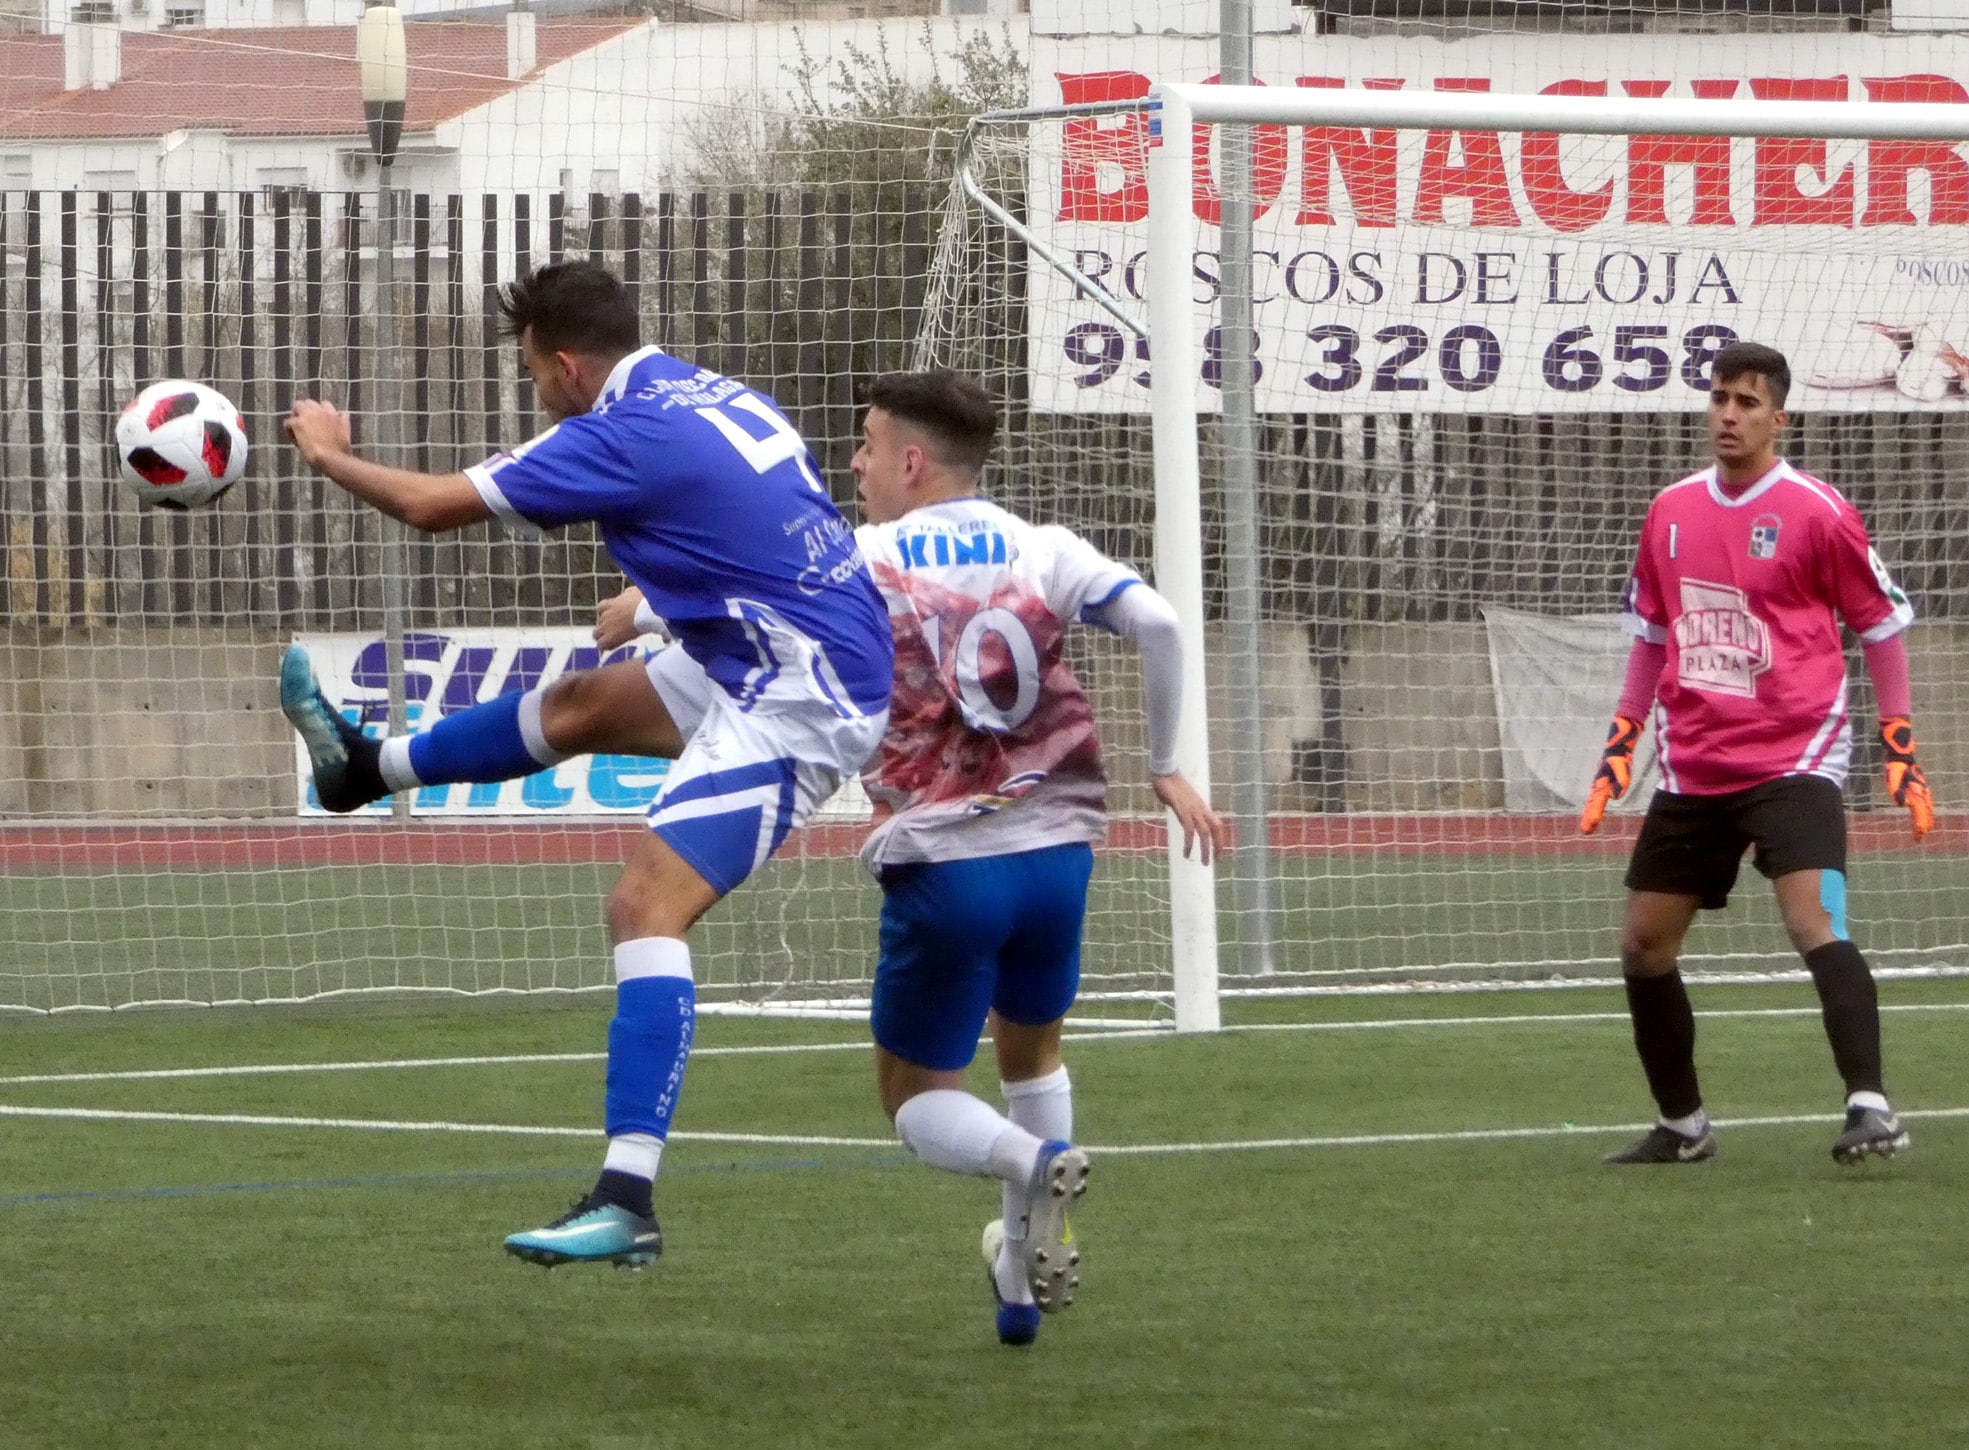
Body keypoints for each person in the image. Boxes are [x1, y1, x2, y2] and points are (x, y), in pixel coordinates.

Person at [280, 258, 892, 1267]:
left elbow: (433, 508)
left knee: (643, 907)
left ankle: (627, 1197)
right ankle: (364, 769)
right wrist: (659, 610)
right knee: (574, 706)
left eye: (533, 374)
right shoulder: (711, 391)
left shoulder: (624, 433)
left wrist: (331, 456)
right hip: (762, 644)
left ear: (568, 364)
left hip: (799, 690)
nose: (537, 393)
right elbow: (756, 532)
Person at [843, 370, 1228, 1346]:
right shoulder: (1042, 545)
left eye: (866, 443)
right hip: (1059, 856)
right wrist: (1169, 765)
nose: (856, 463)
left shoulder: (865, 558)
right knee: (1033, 1051)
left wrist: (640, 608)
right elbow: (1161, 622)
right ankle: (1016, 1273)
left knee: (915, 1099)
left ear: (912, 460)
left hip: (945, 864)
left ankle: (1028, 1159)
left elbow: (739, 619)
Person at [1581, 340, 1935, 1168]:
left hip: (1794, 754)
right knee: (1642, 944)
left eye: (1745, 402)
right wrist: (1620, 745)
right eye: (1718, 399)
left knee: (1812, 917)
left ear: (1778, 417)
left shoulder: (1816, 510)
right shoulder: (1669, 511)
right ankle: (1682, 1126)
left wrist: (1899, 745)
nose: (1727, 415)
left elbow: (1879, 625)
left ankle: (1870, 1107)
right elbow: (1650, 636)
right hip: (1695, 764)